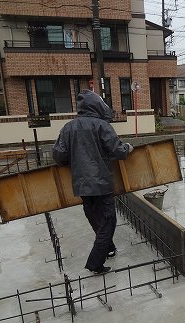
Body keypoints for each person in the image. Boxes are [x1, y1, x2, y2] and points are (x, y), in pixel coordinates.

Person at [53, 90, 134, 274]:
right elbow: (118, 151)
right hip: (102, 184)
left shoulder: (68, 128)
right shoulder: (102, 126)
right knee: (108, 221)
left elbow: (59, 156)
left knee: (95, 218)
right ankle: (95, 263)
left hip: (81, 185)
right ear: (98, 106)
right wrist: (128, 147)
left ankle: (109, 247)